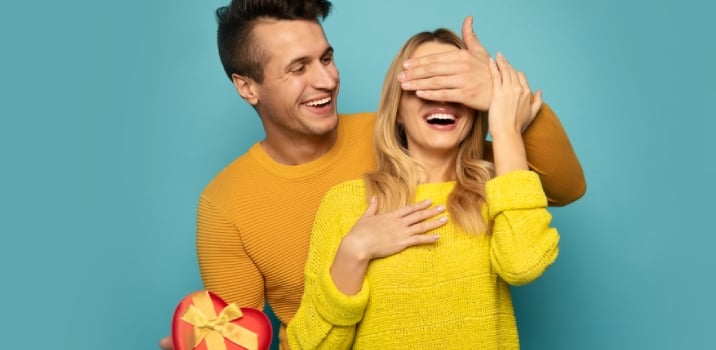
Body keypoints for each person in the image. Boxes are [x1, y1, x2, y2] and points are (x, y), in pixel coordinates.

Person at [160, 0, 584, 349]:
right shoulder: (226, 205)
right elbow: (238, 337)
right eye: (298, 67)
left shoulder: (415, 135)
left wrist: (502, 96)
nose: (326, 79)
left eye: (327, 58)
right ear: (247, 86)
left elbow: (554, 186)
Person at [286, 28, 559, 349]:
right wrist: (353, 252)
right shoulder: (346, 203)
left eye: (455, 86)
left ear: (476, 107)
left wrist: (505, 127)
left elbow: (523, 265)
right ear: (397, 109)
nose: (441, 98)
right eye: (424, 84)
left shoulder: (500, 189)